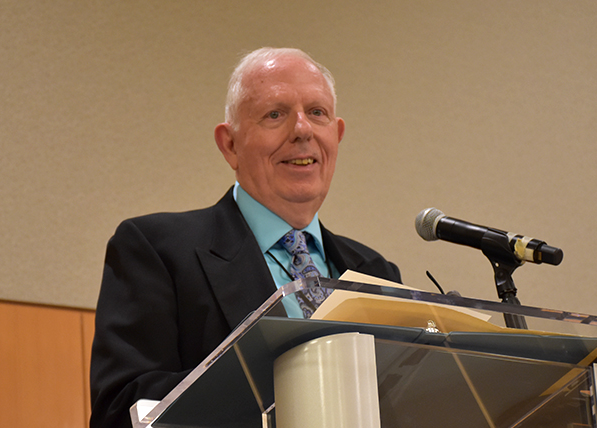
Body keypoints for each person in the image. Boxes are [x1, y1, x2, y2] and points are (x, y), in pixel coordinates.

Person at [89, 47, 401, 428]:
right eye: (275, 114)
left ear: (336, 135)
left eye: (317, 112)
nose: (302, 130)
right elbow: (122, 408)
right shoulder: (156, 249)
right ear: (230, 145)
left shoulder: (377, 272)